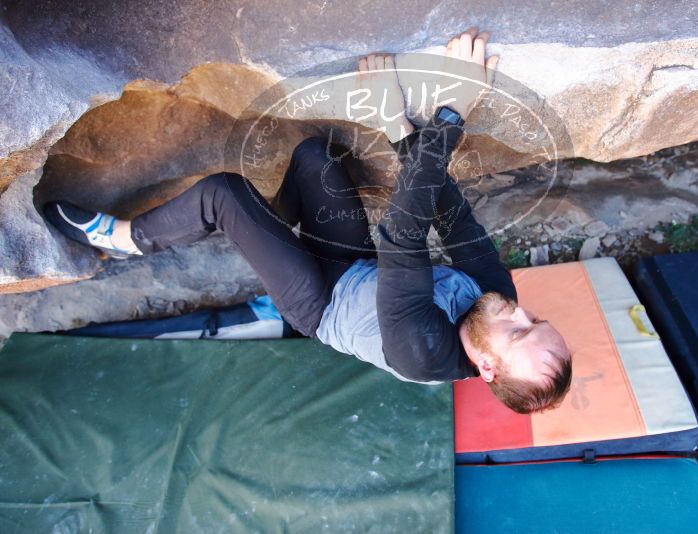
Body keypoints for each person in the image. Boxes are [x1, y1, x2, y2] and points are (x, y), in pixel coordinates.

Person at [43, 27, 572, 414]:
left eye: (518, 334)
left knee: (222, 194)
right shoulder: (495, 301)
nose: (520, 314)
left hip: (320, 305)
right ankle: (265, 233)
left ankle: (130, 239)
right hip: (360, 267)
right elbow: (449, 212)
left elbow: (403, 236)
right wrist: (395, 123)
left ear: (487, 369)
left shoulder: (423, 353)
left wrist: (452, 114)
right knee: (314, 157)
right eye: (537, 321)